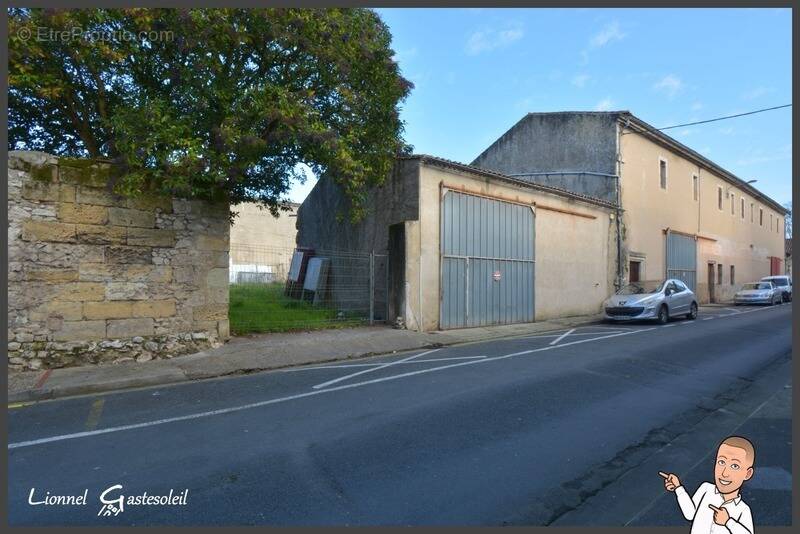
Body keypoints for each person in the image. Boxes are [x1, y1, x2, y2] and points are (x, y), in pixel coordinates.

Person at [659, 435, 755, 534]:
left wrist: (728, 522)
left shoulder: (743, 509)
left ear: (747, 474)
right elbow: (690, 514)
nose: (724, 473)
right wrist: (678, 488)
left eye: (735, 466)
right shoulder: (706, 488)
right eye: (721, 462)